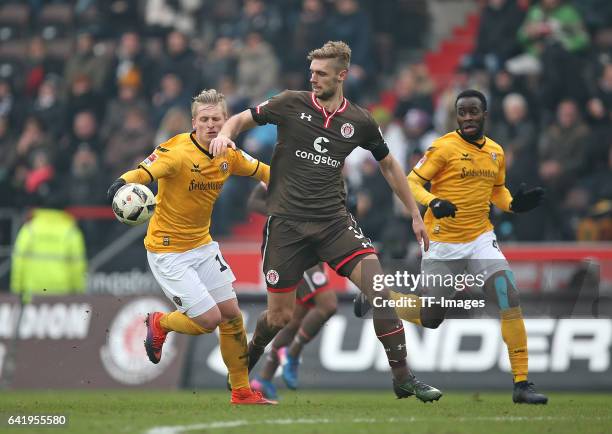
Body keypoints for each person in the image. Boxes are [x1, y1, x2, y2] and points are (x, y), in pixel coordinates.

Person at [209, 41, 441, 402]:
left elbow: (389, 165)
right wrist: (225, 134)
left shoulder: (360, 121)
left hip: (333, 222)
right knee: (280, 317)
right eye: (311, 72)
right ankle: (250, 357)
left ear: (342, 75)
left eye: (321, 73)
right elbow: (241, 118)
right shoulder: (290, 102)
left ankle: (403, 377)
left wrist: (415, 213)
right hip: (287, 226)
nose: (313, 79)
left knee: (379, 291)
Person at [354, 89, 548, 404]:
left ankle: (522, 384)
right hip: (442, 242)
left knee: (508, 295)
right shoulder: (443, 148)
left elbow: (496, 191)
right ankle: (382, 299)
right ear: (457, 116)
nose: (468, 117)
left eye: (474, 111)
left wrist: (514, 204)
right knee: (432, 317)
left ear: (485, 114)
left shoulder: (496, 152)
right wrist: (435, 201)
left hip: (481, 239)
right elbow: (412, 182)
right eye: (463, 112)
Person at [106, 89, 275, 405]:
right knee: (208, 320)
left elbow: (265, 170)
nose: (211, 125)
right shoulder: (176, 152)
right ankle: (160, 322)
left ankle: (241, 391)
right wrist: (122, 183)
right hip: (168, 251)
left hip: (202, 245)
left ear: (226, 121)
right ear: (194, 122)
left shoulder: (228, 153)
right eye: (205, 119)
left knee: (232, 316)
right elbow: (143, 172)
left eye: (217, 119)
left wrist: (285, 183)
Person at [247, 182, 338, 399]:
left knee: (294, 320)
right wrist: (285, 212)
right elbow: (253, 201)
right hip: (291, 245)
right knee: (328, 304)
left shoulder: (326, 170)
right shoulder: (281, 169)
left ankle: (263, 379)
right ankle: (292, 354)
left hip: (313, 245)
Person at [11, 180, 86, 303]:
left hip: (31, 298)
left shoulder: (29, 229)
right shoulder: (71, 232)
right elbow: (77, 268)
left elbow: (18, 264)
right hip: (62, 299)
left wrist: (16, 292)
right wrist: (78, 295)